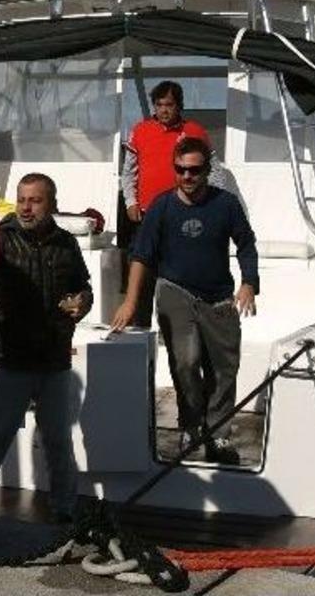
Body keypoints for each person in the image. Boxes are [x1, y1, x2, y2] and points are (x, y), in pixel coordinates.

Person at [111, 137, 258, 464]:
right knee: (186, 363)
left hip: (219, 297)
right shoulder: (161, 207)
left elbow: (246, 244)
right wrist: (130, 302)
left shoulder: (226, 204)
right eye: (181, 170)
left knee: (223, 370)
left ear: (207, 170)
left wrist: (249, 283)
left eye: (194, 170)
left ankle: (218, 434)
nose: (187, 177)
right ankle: (191, 427)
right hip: (175, 291)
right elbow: (141, 256)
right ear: (174, 169)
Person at [0, 174, 91, 522]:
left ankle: (65, 512)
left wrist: (83, 302)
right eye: (21, 199)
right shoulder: (0, 241)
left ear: (51, 204)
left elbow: (83, 287)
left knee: (58, 443)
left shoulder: (67, 244)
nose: (26, 207)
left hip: (53, 359)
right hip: (9, 357)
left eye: (34, 200)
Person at [120, 80, 211, 327]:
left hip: (182, 217)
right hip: (147, 217)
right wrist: (130, 202)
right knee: (141, 275)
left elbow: (213, 172)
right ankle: (139, 331)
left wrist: (207, 207)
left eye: (168, 104)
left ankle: (175, 333)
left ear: (179, 105)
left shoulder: (195, 131)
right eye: (159, 105)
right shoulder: (140, 130)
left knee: (178, 280)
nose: (163, 110)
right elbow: (128, 173)